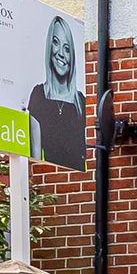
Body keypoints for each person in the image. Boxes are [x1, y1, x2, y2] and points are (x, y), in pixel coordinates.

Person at [25, 15, 86, 170]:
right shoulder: (39, 95)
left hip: (79, 182)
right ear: (49, 46)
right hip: (52, 182)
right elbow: (35, 157)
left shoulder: (81, 102)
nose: (61, 53)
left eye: (67, 48)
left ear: (72, 55)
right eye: (56, 43)